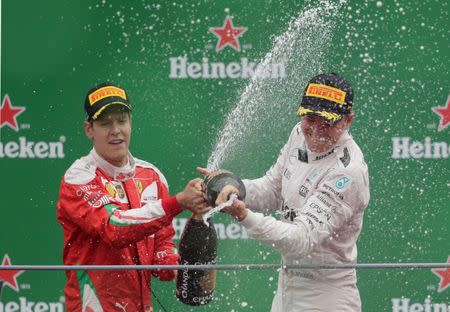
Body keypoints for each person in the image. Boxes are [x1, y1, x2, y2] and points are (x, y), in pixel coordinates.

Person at [199, 72, 370, 311]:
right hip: (285, 291)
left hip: (327, 298)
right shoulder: (298, 134)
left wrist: (243, 215)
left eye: (329, 122)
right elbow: (272, 189)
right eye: (310, 118)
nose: (317, 129)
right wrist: (234, 187)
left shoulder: (348, 172)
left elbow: (300, 240)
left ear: (348, 120)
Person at [57, 82, 209, 312]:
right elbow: (114, 228)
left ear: (131, 123)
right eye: (105, 123)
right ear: (89, 129)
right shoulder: (79, 177)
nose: (115, 130)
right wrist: (178, 202)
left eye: (121, 120)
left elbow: (161, 244)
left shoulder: (153, 176)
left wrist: (173, 263)